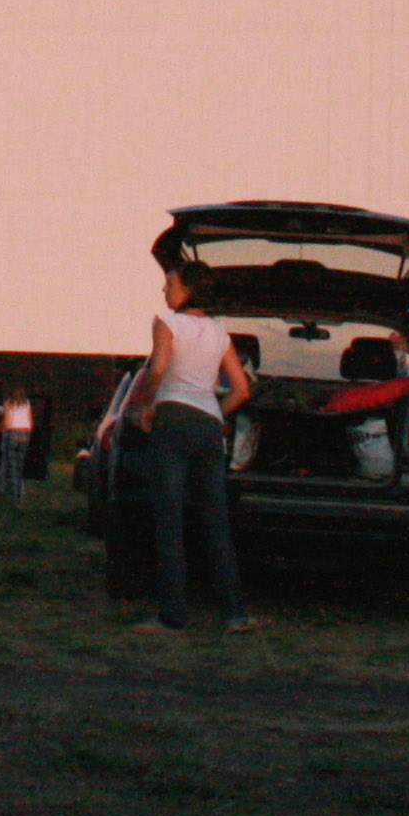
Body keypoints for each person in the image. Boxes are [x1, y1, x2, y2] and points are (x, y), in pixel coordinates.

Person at [129, 262, 254, 632]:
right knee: (216, 521)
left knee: (170, 522)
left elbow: (157, 369)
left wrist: (146, 407)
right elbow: (242, 388)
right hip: (209, 429)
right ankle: (234, 615)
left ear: (187, 289)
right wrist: (216, 410)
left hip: (172, 422)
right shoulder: (218, 330)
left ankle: (172, 616)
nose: (164, 289)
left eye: (169, 282)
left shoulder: (167, 323)